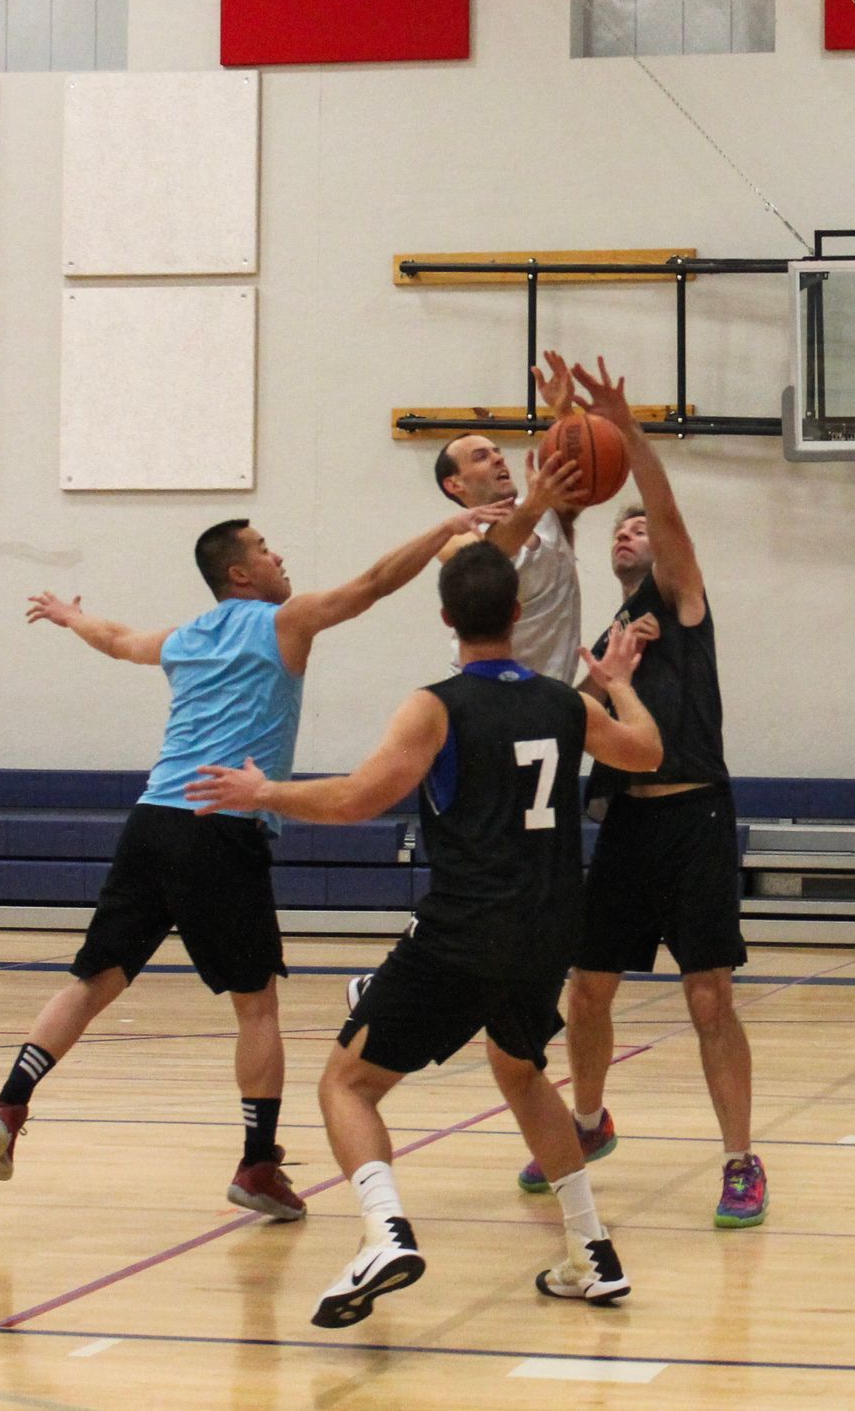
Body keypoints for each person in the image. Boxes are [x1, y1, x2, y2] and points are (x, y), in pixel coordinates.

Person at [0, 505, 499, 1217]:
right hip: (221, 824)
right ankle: (256, 1165)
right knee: (256, 1007)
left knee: (94, 978)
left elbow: (120, 638)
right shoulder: (284, 622)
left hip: (152, 818)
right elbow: (373, 583)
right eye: (266, 549)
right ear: (240, 573)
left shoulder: (187, 637)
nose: (280, 558)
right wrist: (443, 531)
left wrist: (68, 615)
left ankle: (8, 1101)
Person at [187, 542, 662, 1325]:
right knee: (520, 1070)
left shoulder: (435, 704)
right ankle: (592, 1248)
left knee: (347, 1081)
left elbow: (355, 799)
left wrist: (262, 789)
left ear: (446, 616)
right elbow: (645, 751)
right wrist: (616, 686)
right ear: (516, 612)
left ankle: (384, 1233)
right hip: (548, 928)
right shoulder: (565, 702)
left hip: (465, 927)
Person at [515, 358, 767, 1229]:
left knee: (708, 998)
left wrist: (628, 433)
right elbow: (576, 714)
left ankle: (741, 1158)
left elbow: (668, 516)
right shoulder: (610, 636)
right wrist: (604, 681)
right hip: (622, 820)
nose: (629, 536)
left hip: (694, 815)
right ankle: (586, 1123)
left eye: (637, 531)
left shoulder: (684, 602)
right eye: (617, 531)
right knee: (587, 990)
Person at [432, 351, 588, 682]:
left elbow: (581, 472)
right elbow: (486, 559)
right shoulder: (455, 537)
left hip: (547, 693)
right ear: (455, 484)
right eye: (481, 456)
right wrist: (534, 505)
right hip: (482, 694)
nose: (499, 459)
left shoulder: (543, 511)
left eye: (498, 452)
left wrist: (563, 413)